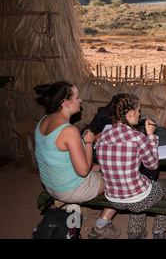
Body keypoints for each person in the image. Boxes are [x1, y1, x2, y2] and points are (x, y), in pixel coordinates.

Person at [34, 81, 121, 239]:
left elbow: (62, 159)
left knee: (100, 167)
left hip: (51, 185)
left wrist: (95, 166)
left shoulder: (43, 121)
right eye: (77, 97)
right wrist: (88, 142)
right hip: (70, 189)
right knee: (121, 179)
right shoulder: (69, 131)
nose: (80, 100)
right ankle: (102, 224)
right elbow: (82, 171)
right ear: (67, 103)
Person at [95, 93, 166, 239]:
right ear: (130, 113)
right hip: (137, 198)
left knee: (140, 186)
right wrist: (150, 136)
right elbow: (152, 165)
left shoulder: (102, 137)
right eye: (138, 110)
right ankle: (159, 231)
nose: (139, 114)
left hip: (113, 198)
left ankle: (135, 232)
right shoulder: (137, 137)